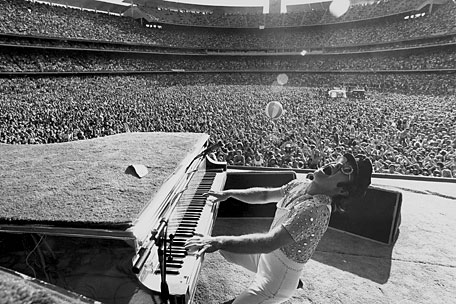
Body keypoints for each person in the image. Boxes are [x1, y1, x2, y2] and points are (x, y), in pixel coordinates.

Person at [185, 153, 373, 304]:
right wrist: (229, 194)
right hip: (266, 259)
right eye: (341, 160)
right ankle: (293, 278)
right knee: (227, 251)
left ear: (343, 191)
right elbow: (265, 194)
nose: (337, 164)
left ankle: (288, 282)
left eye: (346, 169)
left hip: (276, 280)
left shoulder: (316, 209)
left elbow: (269, 242)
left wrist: (217, 241)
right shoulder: (301, 184)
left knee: (223, 245)